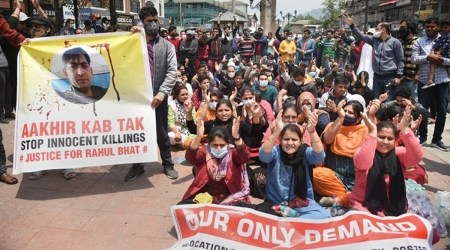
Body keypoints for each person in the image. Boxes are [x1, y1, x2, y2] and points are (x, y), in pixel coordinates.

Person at [125, 6, 179, 181]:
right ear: (142, 22)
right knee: (136, 132)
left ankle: (167, 164)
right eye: (149, 21)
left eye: (156, 20)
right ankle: (137, 165)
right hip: (137, 98)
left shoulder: (167, 46)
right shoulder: (133, 42)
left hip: (158, 97)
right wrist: (129, 36)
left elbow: (172, 72)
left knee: (161, 132)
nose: (154, 24)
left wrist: (162, 93)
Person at [256, 111, 330, 219]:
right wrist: (277, 131)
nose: (290, 143)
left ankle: (292, 218)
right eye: (286, 139)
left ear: (300, 141)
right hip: (276, 203)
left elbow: (320, 156)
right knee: (260, 214)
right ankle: (291, 219)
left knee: (322, 216)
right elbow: (263, 155)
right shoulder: (276, 152)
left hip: (301, 203)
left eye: (294, 139)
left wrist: (312, 131)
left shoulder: (305, 152)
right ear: (281, 141)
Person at [350, 108, 422, 216]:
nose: (385, 142)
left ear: (395, 139)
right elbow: (364, 162)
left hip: (393, 207)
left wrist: (405, 130)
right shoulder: (363, 152)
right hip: (363, 206)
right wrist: (372, 132)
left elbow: (416, 157)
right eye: (381, 137)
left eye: (390, 138)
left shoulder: (399, 153)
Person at [180, 118, 250, 205]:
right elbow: (190, 158)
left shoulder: (233, 153)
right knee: (182, 208)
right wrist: (198, 137)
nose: (218, 148)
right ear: (209, 144)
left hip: (231, 197)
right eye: (215, 145)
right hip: (205, 197)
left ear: (228, 143)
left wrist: (236, 137)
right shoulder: (204, 152)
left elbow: (245, 157)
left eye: (222, 145)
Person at [313, 100, 368, 208]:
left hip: (356, 179)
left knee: (369, 185)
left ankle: (342, 199)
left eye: (350, 113)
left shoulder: (364, 130)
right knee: (315, 174)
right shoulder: (333, 125)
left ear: (359, 117)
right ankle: (348, 197)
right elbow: (327, 140)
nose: (346, 114)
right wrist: (340, 119)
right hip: (335, 176)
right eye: (345, 110)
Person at [342, 14, 405, 101]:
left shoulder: (395, 42)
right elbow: (361, 36)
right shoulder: (374, 40)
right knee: (375, 100)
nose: (376, 31)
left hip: (390, 77)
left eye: (377, 29)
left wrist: (398, 76)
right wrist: (352, 25)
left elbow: (400, 60)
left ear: (384, 30)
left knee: (388, 100)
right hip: (377, 77)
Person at [411, 17, 450, 151]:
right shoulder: (419, 42)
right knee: (422, 110)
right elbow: (414, 59)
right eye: (427, 26)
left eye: (432, 26)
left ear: (438, 27)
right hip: (424, 81)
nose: (429, 29)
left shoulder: (446, 40)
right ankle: (422, 137)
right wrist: (428, 57)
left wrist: (439, 60)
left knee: (442, 111)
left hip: (442, 81)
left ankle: (437, 139)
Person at [168, 83, 196, 148]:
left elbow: (194, 120)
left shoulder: (191, 103)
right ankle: (188, 143)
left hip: (190, 128)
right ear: (177, 96)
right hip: (178, 129)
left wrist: (189, 110)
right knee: (171, 135)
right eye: (182, 95)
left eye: (186, 94)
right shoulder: (172, 105)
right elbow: (171, 123)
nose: (185, 96)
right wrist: (177, 132)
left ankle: (184, 144)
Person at [398, 20, 419, 101]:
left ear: (410, 29)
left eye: (403, 27)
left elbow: (422, 59)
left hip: (413, 79)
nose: (400, 29)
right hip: (401, 78)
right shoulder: (400, 42)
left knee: (413, 101)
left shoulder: (417, 42)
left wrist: (418, 73)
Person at [426, 19, 450, 88]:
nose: (444, 29)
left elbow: (447, 46)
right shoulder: (442, 36)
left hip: (447, 56)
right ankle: (430, 80)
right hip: (442, 55)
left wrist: (440, 51)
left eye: (446, 27)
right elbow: (437, 43)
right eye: (442, 28)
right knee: (432, 62)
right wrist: (433, 50)